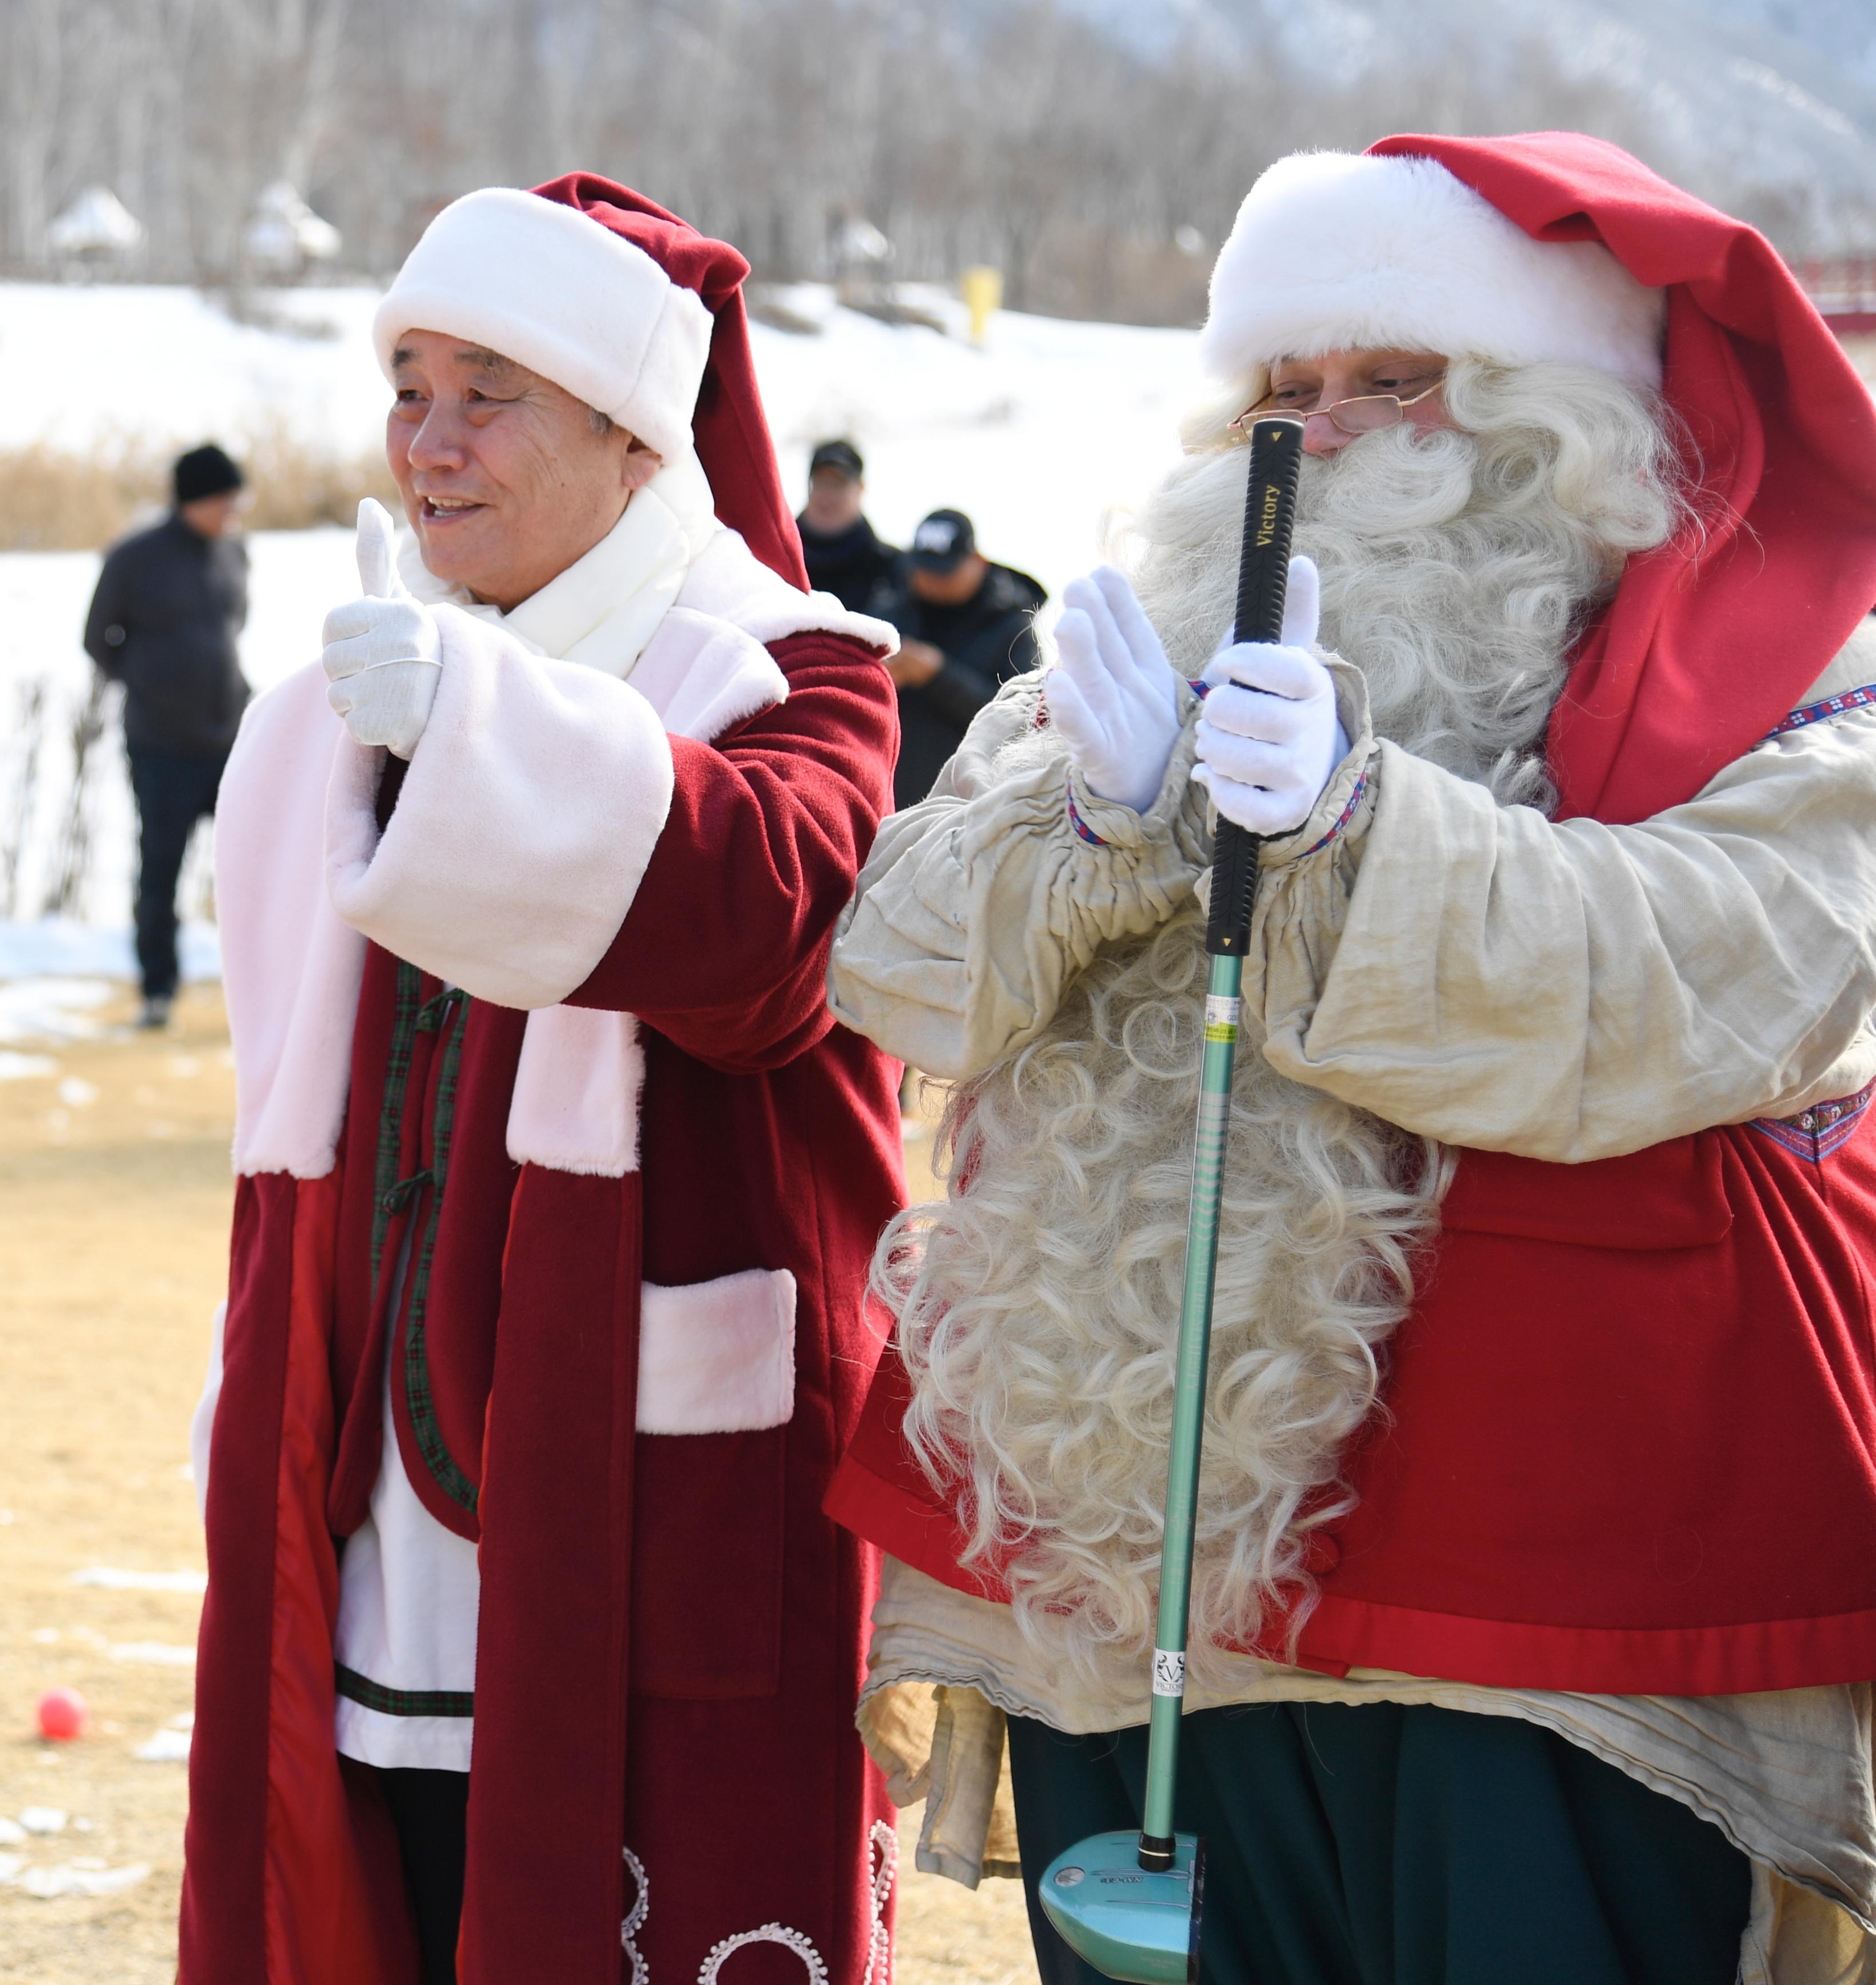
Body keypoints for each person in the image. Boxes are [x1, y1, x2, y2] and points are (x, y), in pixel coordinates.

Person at [824, 136, 1876, 1980]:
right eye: (1277, 390)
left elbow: (1739, 976)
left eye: (1393, 380)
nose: (1320, 434)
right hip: (1120, 1595)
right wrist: (1101, 820)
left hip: (1548, 1608)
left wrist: (1346, 829)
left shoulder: (1779, 673)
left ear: (1555, 411)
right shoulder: (1125, 641)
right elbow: (897, 964)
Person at [183, 177, 910, 1985]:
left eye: (487, 392)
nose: (426, 442)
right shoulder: (336, 700)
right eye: (405, 384)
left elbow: (766, 937)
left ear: (629, 432)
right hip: (374, 1513)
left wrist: (473, 731)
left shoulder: (791, 673)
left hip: (642, 1497)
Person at [83, 442, 253, 1030]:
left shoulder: (234, 551)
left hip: (226, 733)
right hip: (159, 742)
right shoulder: (135, 557)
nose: (234, 508)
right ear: (194, 499)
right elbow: (97, 638)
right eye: (224, 498)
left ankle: (256, 983)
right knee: (160, 866)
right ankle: (157, 987)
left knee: (250, 862)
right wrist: (149, 681)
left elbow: (234, 624)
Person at [869, 506, 1043, 810]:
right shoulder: (889, 609)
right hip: (887, 800)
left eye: (943, 572)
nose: (931, 580)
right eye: (923, 569)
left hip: (969, 808)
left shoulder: (1013, 624)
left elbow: (1024, 718)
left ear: (977, 562)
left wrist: (937, 675)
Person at [796, 437, 900, 608]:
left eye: (838, 485)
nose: (827, 497)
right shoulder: (775, 559)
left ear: (860, 489)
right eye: (821, 483)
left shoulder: (889, 568)